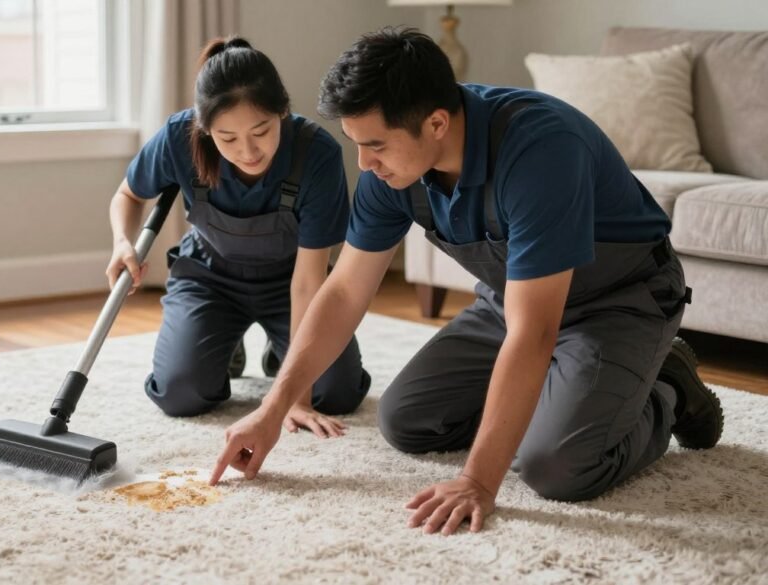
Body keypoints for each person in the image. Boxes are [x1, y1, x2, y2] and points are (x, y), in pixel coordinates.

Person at [209, 27, 724, 535]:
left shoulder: (540, 151)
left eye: (375, 145)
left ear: (435, 122)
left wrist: (478, 480)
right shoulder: (390, 171)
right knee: (407, 420)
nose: (364, 164)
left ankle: (666, 390)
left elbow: (535, 332)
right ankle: (564, 394)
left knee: (554, 466)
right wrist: (273, 408)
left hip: (619, 302)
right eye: (356, 145)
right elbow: (344, 290)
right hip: (513, 299)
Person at [108, 36, 371, 436]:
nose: (247, 151)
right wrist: (122, 242)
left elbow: (307, 281)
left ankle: (276, 355)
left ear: (282, 110)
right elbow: (128, 195)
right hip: (209, 277)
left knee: (335, 393)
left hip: (289, 280)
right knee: (181, 394)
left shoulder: (316, 154)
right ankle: (222, 347)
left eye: (261, 131)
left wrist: (296, 399)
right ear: (205, 127)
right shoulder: (179, 138)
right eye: (227, 138)